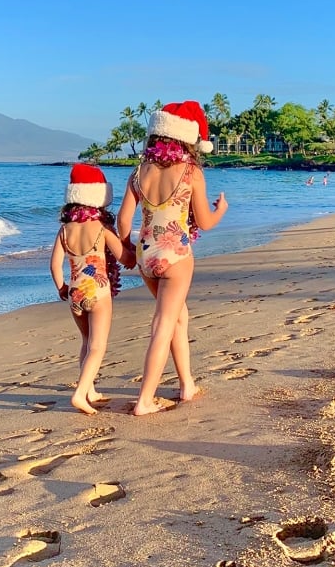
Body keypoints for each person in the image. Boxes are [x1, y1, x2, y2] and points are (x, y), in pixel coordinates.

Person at [118, 101, 228, 416]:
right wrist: (221, 209)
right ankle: (145, 399)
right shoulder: (191, 172)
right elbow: (204, 222)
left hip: (146, 255)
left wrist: (126, 248)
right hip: (176, 255)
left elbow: (124, 221)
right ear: (186, 139)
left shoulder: (139, 172)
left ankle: (186, 385)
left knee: (179, 316)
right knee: (163, 323)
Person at [50, 164, 135, 414]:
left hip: (75, 292)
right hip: (98, 293)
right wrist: (136, 250)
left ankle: (90, 390)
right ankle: (79, 394)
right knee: (98, 346)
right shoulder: (101, 228)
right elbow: (125, 259)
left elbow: (55, 265)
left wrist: (61, 287)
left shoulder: (64, 230)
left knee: (87, 341)